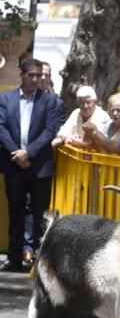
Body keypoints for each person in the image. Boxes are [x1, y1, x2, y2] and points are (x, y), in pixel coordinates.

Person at [0, 58, 60, 272]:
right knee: (15, 212)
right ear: (22, 75)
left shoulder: (50, 101)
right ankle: (14, 258)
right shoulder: (5, 99)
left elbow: (49, 130)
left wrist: (29, 152)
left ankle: (39, 261)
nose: (36, 79)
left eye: (38, 75)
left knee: (39, 214)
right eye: (31, 75)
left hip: (39, 166)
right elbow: (2, 128)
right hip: (13, 165)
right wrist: (16, 154)